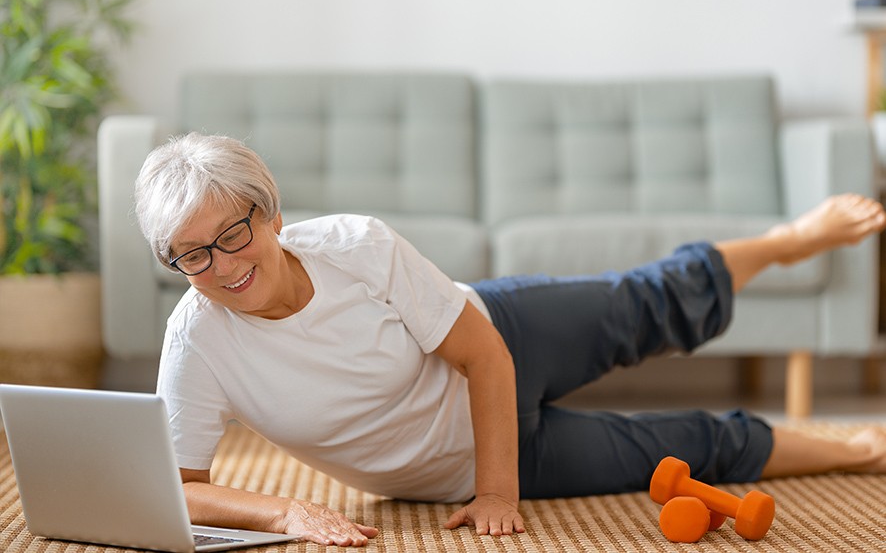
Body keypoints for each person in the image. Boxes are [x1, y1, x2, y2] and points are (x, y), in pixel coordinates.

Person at [133, 132, 886, 548]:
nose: (223, 267)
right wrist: (283, 513)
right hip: (451, 471)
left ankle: (790, 239)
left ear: (270, 214)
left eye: (233, 234)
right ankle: (858, 449)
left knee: (655, 303)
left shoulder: (354, 246)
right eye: (192, 255)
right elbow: (183, 484)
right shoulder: (196, 340)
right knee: (684, 448)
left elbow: (481, 356)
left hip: (503, 337)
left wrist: (500, 492)